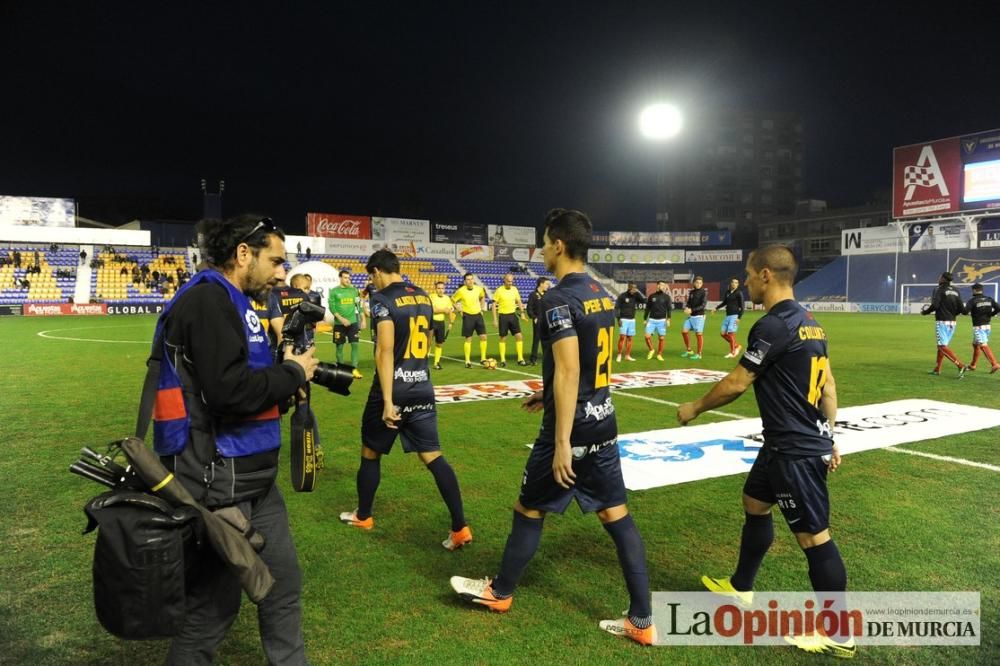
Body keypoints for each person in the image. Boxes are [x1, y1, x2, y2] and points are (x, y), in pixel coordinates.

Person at [450, 208, 656, 646]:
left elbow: (566, 371)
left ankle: (499, 592)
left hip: (572, 429)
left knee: (529, 508)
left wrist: (561, 441)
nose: (541, 250)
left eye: (544, 242)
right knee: (616, 513)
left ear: (559, 245)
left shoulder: (557, 298)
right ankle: (642, 620)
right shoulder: (602, 293)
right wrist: (548, 392)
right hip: (603, 419)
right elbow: (590, 365)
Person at [148, 214, 318, 665]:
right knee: (211, 611)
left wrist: (283, 383)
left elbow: (242, 387)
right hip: (217, 486)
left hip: (254, 482)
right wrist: (293, 373)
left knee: (282, 590)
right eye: (276, 261)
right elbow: (228, 393)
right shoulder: (207, 301)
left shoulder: (232, 299)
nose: (283, 272)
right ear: (244, 253)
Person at [677, 245, 854, 659]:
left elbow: (738, 383)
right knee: (755, 502)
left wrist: (695, 407)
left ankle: (839, 631)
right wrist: (829, 434)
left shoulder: (772, 325)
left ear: (766, 276)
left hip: (794, 449)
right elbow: (828, 386)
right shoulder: (813, 324)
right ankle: (740, 587)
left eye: (749, 274)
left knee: (814, 537)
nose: (747, 281)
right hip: (783, 442)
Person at [339, 249, 472, 551]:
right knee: (434, 456)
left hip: (393, 390)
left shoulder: (382, 300)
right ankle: (460, 527)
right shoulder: (423, 295)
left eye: (370, 276)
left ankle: (364, 515)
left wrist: (387, 401)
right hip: (422, 387)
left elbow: (384, 351)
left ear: (376, 272)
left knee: (370, 452)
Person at [921, 271, 967, 377]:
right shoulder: (956, 291)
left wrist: (925, 312)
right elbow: (962, 309)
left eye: (939, 277)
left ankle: (960, 366)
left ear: (943, 279)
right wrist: (953, 314)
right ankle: (937, 369)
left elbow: (935, 305)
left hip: (942, 321)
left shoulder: (939, 289)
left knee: (941, 346)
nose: (938, 279)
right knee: (943, 346)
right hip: (952, 322)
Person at [329, 269, 367, 378]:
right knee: (339, 347)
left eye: (349, 278)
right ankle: (341, 370)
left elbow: (358, 306)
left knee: (355, 345)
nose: (347, 280)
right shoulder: (334, 291)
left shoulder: (354, 290)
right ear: (340, 278)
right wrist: (341, 319)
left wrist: (363, 319)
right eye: (345, 277)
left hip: (353, 323)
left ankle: (354, 370)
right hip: (339, 324)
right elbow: (332, 307)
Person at [492, 272, 529, 367]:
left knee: (519, 336)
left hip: (513, 316)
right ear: (504, 280)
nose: (510, 283)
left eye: (511, 281)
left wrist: (523, 314)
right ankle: (503, 360)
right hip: (503, 316)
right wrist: (495, 319)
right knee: (503, 338)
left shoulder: (515, 289)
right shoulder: (499, 290)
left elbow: (519, 302)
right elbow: (493, 305)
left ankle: (520, 359)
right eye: (508, 281)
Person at [452, 273, 488, 368]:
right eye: (468, 279)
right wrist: (459, 310)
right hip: (467, 316)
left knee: (483, 337)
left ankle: (483, 359)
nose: (470, 281)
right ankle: (467, 361)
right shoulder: (461, 291)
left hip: (478, 315)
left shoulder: (479, 289)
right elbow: (452, 300)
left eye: (471, 279)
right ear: (465, 281)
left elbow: (482, 296)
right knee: (468, 339)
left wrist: (481, 308)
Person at [964, 283, 1000, 373]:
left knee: (983, 345)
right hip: (987, 326)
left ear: (974, 290)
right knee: (975, 345)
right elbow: (998, 308)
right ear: (981, 290)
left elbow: (965, 312)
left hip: (978, 327)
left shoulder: (973, 301)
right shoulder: (989, 299)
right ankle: (973, 365)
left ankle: (994, 364)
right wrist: (991, 314)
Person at [614, 282, 646, 362]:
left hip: (632, 320)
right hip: (623, 319)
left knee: (630, 338)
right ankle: (619, 355)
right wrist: (618, 319)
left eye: (635, 288)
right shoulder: (622, 296)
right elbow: (617, 307)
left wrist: (638, 292)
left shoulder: (636, 295)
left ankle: (627, 355)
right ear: (628, 287)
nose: (634, 289)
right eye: (632, 288)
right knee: (622, 337)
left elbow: (644, 301)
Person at [715, 277, 745, 358]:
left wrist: (739, 317)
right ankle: (737, 346)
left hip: (734, 316)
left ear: (738, 285)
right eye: (733, 282)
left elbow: (742, 307)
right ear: (731, 283)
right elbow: (725, 302)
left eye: (736, 282)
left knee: (731, 333)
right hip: (727, 316)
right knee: (722, 333)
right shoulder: (728, 292)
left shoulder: (739, 293)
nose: (734, 284)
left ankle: (732, 352)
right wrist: (716, 308)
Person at [680, 276, 709, 360]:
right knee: (684, 332)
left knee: (699, 334)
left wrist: (691, 310)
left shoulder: (704, 292)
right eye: (697, 282)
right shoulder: (692, 292)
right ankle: (689, 350)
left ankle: (699, 354)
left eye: (700, 283)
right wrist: (687, 307)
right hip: (691, 317)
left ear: (702, 284)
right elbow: (689, 302)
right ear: (694, 283)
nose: (698, 284)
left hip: (699, 316)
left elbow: (703, 305)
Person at [644, 281, 672, 361]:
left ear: (665, 287)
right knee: (647, 336)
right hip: (651, 320)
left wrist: (669, 319)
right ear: (657, 286)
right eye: (660, 285)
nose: (661, 286)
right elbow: (647, 308)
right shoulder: (651, 296)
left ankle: (659, 354)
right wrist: (645, 319)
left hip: (662, 321)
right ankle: (651, 350)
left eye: (663, 285)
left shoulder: (667, 297)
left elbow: (669, 309)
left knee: (661, 338)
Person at [429, 280, 455, 370]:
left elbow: (450, 311)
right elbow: (433, 309)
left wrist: (451, 322)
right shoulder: (431, 297)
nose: (440, 290)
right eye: (439, 288)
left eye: (442, 288)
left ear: (444, 289)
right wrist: (444, 310)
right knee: (428, 343)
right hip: (431, 321)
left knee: (439, 344)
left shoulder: (447, 298)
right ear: (435, 289)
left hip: (441, 323)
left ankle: (436, 363)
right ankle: (423, 363)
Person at [525, 277, 551, 365]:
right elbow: (529, 308)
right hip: (538, 320)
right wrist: (534, 317)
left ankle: (548, 358)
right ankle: (533, 359)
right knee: (536, 339)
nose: (548, 286)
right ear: (541, 284)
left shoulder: (548, 294)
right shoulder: (533, 295)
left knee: (549, 340)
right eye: (547, 284)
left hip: (548, 320)